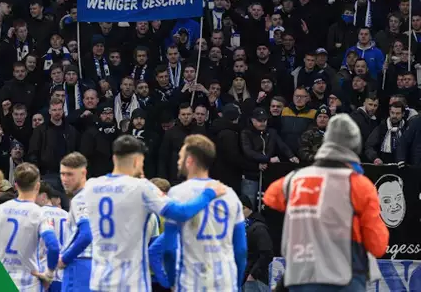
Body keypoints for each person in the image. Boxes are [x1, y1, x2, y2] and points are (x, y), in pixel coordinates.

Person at [81, 135, 226, 291]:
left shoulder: (91, 185)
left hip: (99, 279)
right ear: (137, 161)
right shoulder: (141, 187)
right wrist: (209, 193)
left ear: (114, 157)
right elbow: (180, 213)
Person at [263, 114, 389, 291]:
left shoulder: (294, 179)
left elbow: (270, 198)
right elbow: (377, 245)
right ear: (355, 146)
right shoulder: (359, 186)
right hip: (344, 278)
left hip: (301, 275)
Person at [149, 134, 247, 291]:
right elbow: (241, 250)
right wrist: (236, 281)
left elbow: (169, 249)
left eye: (180, 156)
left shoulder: (177, 193)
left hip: (192, 280)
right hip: (224, 281)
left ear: (190, 161)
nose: (178, 161)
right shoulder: (230, 194)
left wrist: (172, 281)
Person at [0, 163, 60, 291]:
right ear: (37, 186)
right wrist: (49, 274)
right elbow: (53, 246)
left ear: (15, 185)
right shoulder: (39, 213)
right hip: (29, 284)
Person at [58, 152, 93, 292]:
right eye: (62, 174)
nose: (64, 179)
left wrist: (65, 259)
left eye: (70, 174)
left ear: (83, 173)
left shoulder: (81, 198)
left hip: (80, 265)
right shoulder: (96, 195)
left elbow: (86, 234)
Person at [36, 182, 68, 292]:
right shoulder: (66, 214)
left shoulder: (37, 213)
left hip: (42, 273)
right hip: (63, 275)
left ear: (43, 196)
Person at [240, 195, 273, 292]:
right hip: (247, 278)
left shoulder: (258, 227)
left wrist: (253, 274)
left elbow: (267, 253)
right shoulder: (246, 227)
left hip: (255, 280)